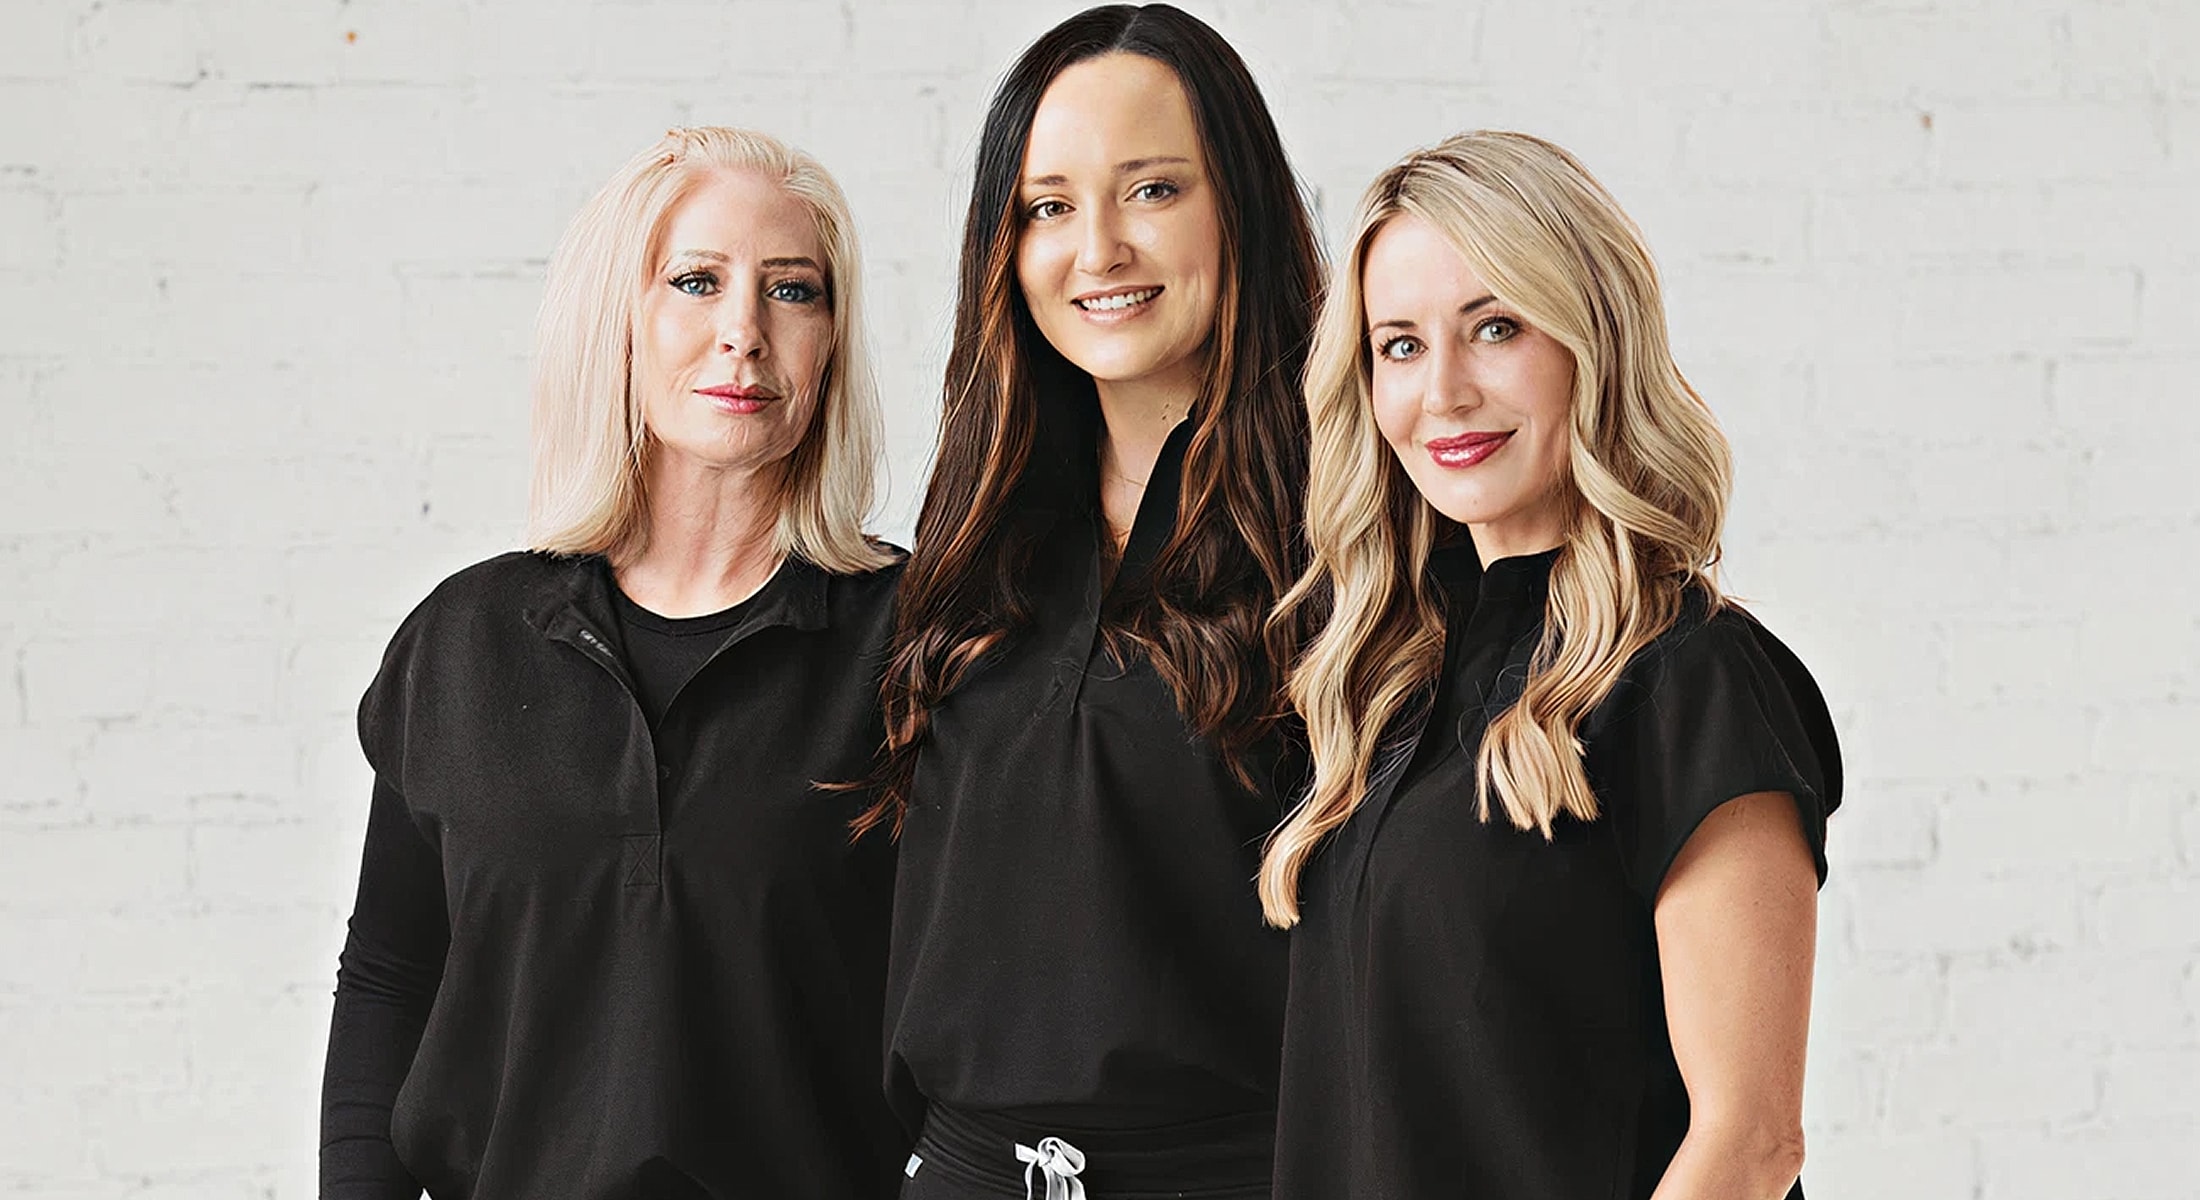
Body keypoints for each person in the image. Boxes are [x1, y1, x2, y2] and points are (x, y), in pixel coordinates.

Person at [319, 126, 909, 1200]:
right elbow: (391, 976)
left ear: (832, 339)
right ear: (616, 324)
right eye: (696, 281)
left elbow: (980, 1020)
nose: (745, 331)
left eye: (794, 291)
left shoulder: (916, 641)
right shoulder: (464, 639)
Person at [1262, 130, 1843, 1200]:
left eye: (1494, 328)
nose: (1441, 392)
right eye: (1398, 344)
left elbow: (1750, 1144)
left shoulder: (1694, 679)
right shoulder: (1389, 688)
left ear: (1593, 340)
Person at [858, 5, 1322, 1197]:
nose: (1098, 249)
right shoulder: (974, 538)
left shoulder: (1359, 541)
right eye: (1049, 207)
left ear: (1244, 207)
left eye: (1152, 190)